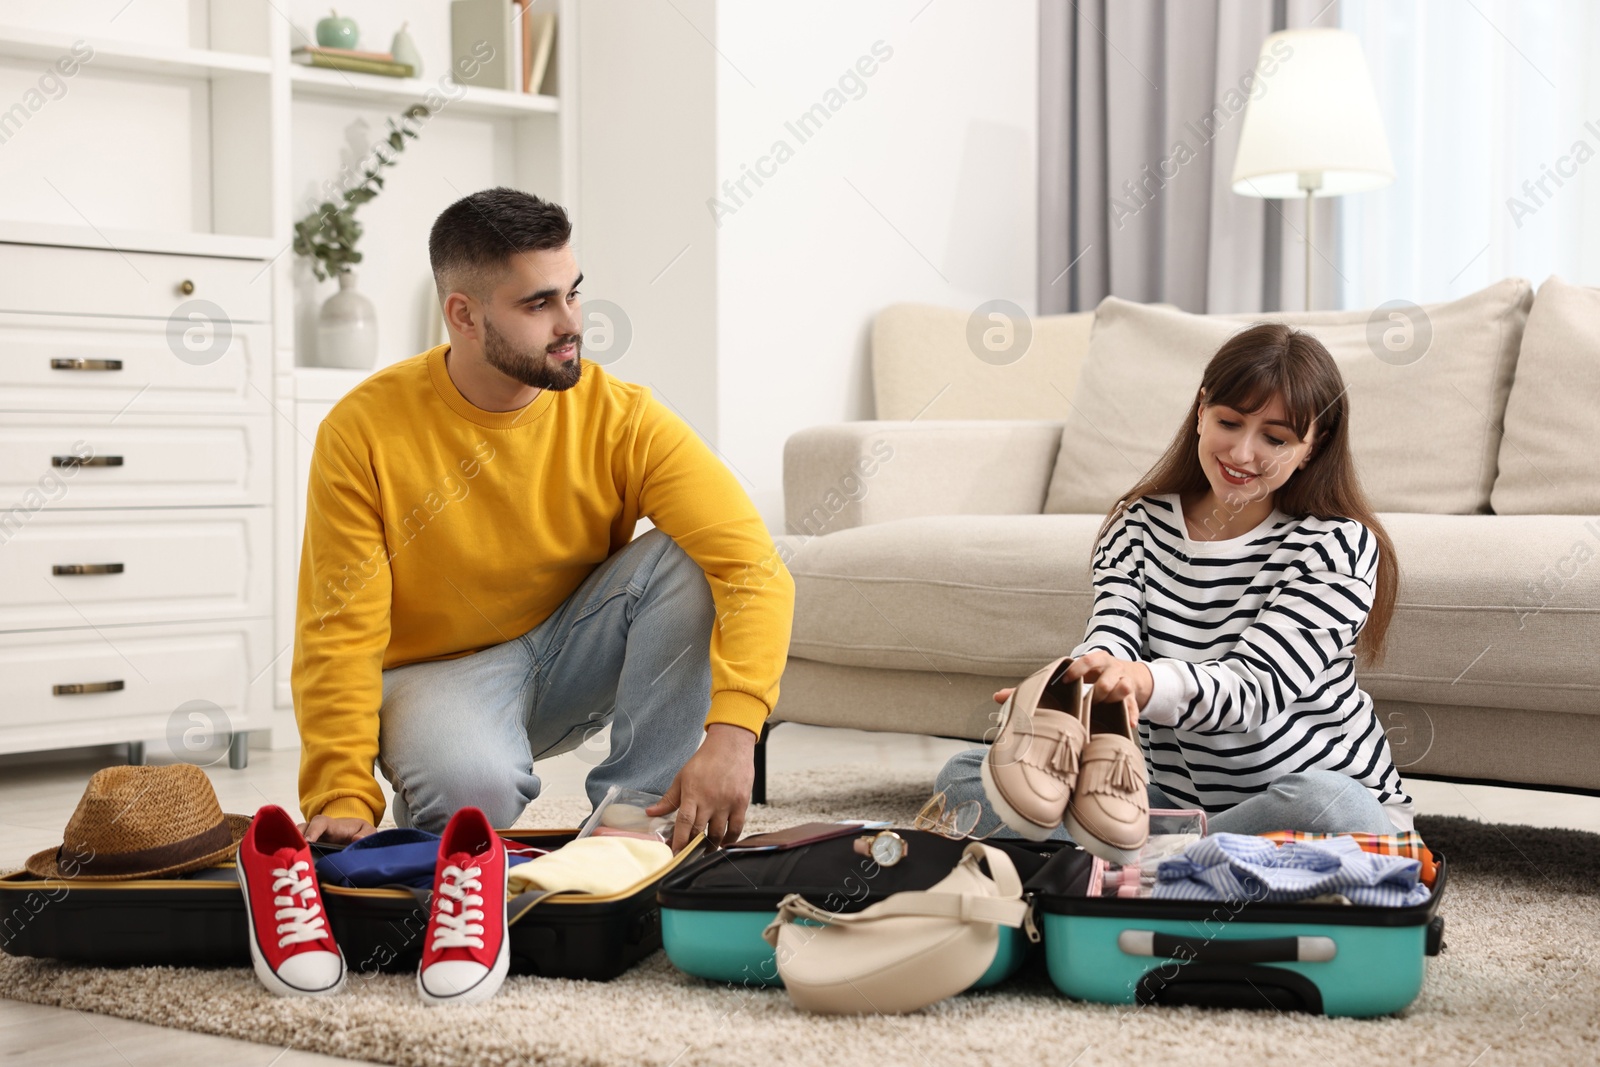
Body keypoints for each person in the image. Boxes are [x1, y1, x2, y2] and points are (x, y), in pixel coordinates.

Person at [291, 187, 794, 852]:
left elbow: (754, 568)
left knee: (691, 558)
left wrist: (734, 734)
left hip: (571, 650)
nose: (571, 322)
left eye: (573, 293)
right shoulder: (363, 431)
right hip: (438, 677)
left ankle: (633, 822)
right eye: (540, 303)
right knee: (476, 799)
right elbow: (340, 628)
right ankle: (466, 788)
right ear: (464, 316)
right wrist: (342, 789)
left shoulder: (624, 417)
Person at [936, 322, 1414, 838]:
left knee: (1332, 803)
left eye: (1275, 438)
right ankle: (1175, 861)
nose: (1242, 453)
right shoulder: (1138, 524)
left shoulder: (1335, 545)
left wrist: (1144, 682)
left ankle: (1131, 858)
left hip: (1303, 804)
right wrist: (1074, 687)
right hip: (1190, 809)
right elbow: (1112, 634)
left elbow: (1253, 691)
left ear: (1312, 450)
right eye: (1229, 422)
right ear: (1202, 408)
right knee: (965, 776)